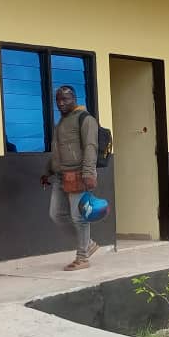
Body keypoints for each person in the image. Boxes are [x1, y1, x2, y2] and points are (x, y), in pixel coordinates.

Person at [40, 85, 100, 270]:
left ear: (74, 98)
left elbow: (91, 147)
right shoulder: (61, 122)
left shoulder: (85, 119)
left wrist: (88, 173)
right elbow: (58, 152)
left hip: (78, 174)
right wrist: (48, 171)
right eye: (58, 100)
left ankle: (82, 258)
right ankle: (88, 243)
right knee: (57, 215)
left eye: (65, 99)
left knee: (79, 217)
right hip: (60, 176)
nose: (61, 103)